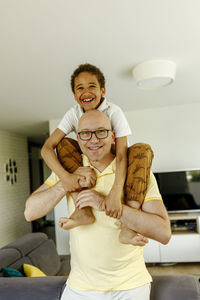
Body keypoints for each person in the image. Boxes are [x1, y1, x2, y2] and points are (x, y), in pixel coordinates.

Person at [25, 110, 171, 300]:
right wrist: (66, 181)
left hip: (131, 286)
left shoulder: (137, 172)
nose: (93, 139)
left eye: (101, 131)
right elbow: (30, 212)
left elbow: (163, 233)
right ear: (78, 138)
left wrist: (103, 203)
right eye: (85, 133)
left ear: (113, 136)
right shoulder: (69, 170)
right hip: (80, 287)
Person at [41, 63, 154, 230]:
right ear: (74, 95)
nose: (86, 92)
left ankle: (128, 226)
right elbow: (46, 148)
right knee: (63, 144)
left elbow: (122, 155)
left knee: (143, 150)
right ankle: (83, 210)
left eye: (92, 86)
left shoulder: (114, 111)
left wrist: (115, 193)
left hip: (117, 157)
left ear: (103, 91)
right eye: (80, 88)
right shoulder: (73, 113)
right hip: (91, 157)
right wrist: (66, 178)